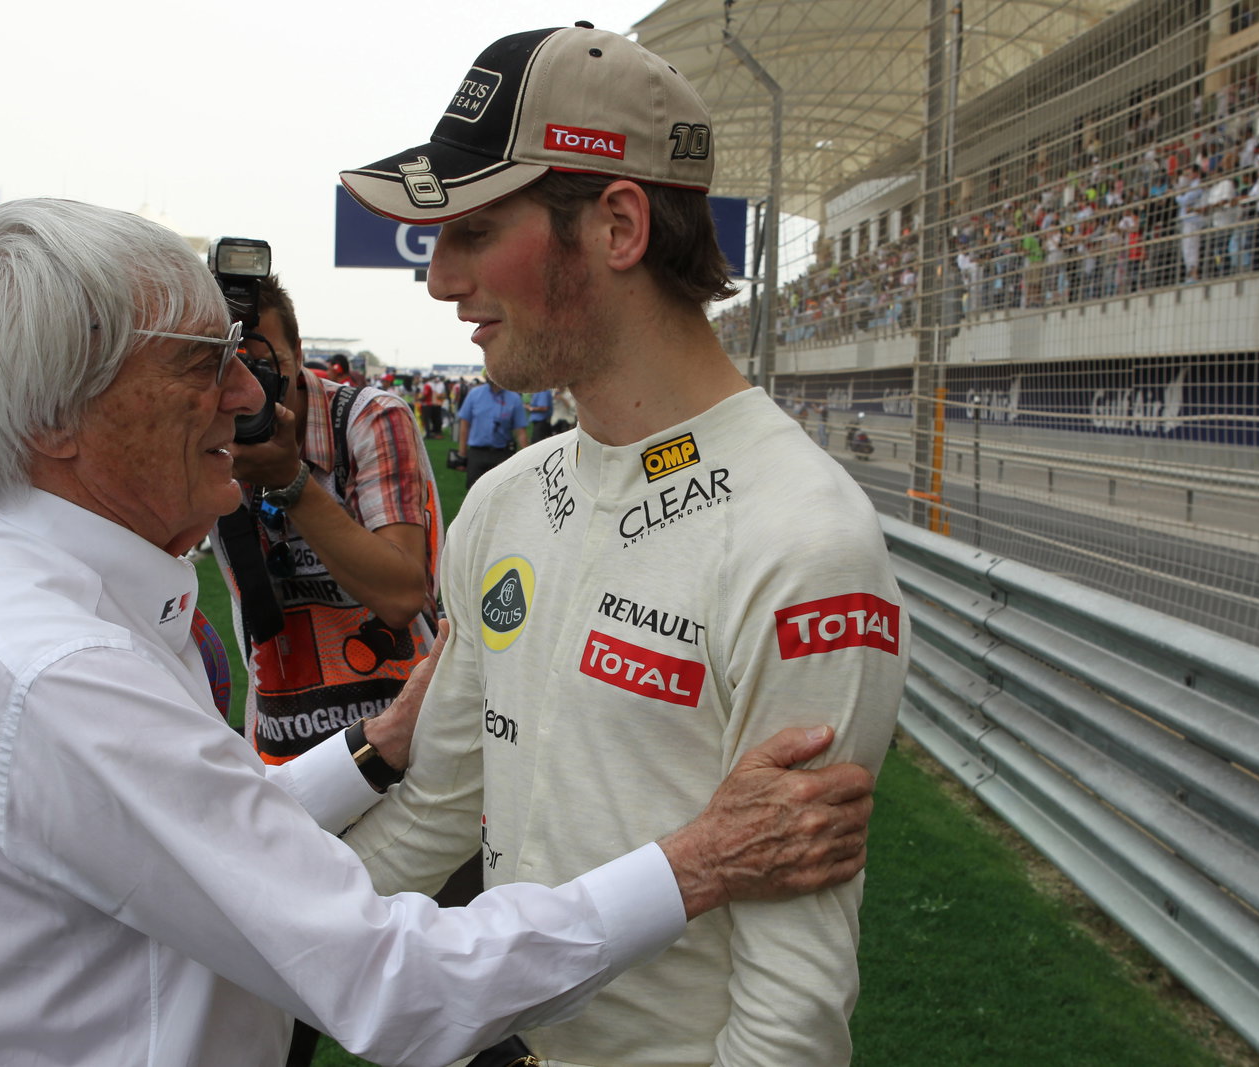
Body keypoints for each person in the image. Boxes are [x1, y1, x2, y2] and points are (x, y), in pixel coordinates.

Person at [0, 197, 880, 1067]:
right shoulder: (55, 669)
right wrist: (701, 858)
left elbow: (183, 838)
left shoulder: (6, 589)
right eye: (203, 362)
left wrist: (376, 748)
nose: (248, 397)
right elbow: (394, 979)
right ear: (56, 416)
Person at [339, 24, 909, 1065]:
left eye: (471, 230)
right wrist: (237, 940)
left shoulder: (806, 540)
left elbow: (791, 1006)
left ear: (616, 224)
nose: (439, 280)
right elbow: (436, 815)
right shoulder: (503, 503)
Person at [211, 274, 446, 1066]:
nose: (243, 384)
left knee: (442, 997)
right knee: (275, 1008)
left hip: (413, 757)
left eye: (259, 357)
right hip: (283, 756)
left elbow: (400, 587)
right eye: (218, 361)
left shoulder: (366, 417)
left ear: (298, 353)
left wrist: (286, 481)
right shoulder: (202, 430)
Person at [455, 371, 527, 487]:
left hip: (502, 454)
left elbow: (520, 431)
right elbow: (465, 424)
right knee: (474, 493)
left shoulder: (514, 398)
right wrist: (462, 452)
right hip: (477, 453)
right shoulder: (474, 395)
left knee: (501, 493)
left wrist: (525, 457)